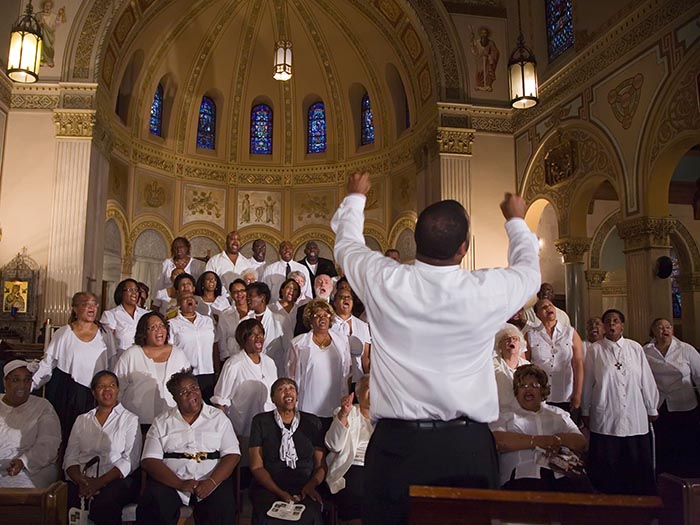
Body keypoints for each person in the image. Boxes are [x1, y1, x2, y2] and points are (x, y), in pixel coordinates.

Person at [331, 172, 540, 525]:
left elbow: (346, 246)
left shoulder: (386, 280)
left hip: (397, 448)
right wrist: (517, 221)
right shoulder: (485, 291)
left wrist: (355, 197)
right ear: (464, 247)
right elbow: (529, 272)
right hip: (465, 450)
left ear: (415, 241)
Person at [138, 371, 240, 525]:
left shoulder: (219, 418)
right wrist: (179, 484)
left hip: (211, 480)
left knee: (222, 507)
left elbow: (232, 455)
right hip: (171, 482)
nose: (191, 394)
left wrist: (211, 482)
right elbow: (149, 460)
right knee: (154, 502)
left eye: (194, 388)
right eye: (184, 392)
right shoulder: (161, 422)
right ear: (174, 397)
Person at [582, 309, 659, 495]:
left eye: (615, 321)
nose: (611, 324)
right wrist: (585, 410)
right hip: (607, 415)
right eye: (607, 321)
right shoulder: (595, 350)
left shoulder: (635, 348)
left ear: (622, 325)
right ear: (603, 326)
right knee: (608, 469)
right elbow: (588, 383)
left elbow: (645, 380)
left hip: (635, 414)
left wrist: (652, 407)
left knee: (636, 468)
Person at [490, 365, 592, 492]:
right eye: (523, 386)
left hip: (561, 475)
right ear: (516, 391)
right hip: (522, 476)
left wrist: (556, 440)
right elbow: (499, 441)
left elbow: (580, 442)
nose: (528, 389)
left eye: (534, 385)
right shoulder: (505, 416)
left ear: (543, 390)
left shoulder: (558, 414)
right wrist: (538, 441)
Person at [32, 291, 110, 444]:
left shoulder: (105, 334)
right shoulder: (64, 333)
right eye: (86, 304)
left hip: (96, 394)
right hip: (70, 393)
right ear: (75, 308)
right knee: (68, 439)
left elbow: (111, 365)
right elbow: (48, 364)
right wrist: (31, 384)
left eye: (94, 304)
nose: (92, 308)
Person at [64, 371, 142, 525]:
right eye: (101, 386)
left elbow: (130, 460)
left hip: (117, 479)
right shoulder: (82, 420)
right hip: (83, 479)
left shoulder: (130, 419)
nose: (107, 390)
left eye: (112, 385)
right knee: (63, 497)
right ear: (93, 392)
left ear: (118, 390)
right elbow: (70, 457)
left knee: (105, 502)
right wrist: (81, 481)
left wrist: (99, 482)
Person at [248, 378, 325, 525]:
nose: (288, 392)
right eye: (281, 389)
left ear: (297, 396)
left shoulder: (312, 422)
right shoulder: (260, 421)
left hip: (305, 485)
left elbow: (321, 465)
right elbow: (256, 466)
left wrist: (311, 486)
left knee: (310, 514)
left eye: (291, 388)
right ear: (273, 398)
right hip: (269, 486)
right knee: (268, 515)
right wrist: (280, 492)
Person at [211, 319, 277, 460]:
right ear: (243, 338)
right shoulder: (234, 364)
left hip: (268, 430)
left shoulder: (269, 362)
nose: (259, 337)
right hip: (243, 431)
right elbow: (221, 401)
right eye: (253, 334)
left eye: (261, 333)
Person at [113, 311, 191, 428]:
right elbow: (117, 389)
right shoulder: (131, 354)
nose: (159, 330)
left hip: (172, 422)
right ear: (144, 332)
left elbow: (188, 386)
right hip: (137, 422)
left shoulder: (178, 354)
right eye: (153, 327)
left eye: (162, 326)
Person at [643, 317, 700, 477]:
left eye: (668, 327)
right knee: (664, 445)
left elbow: (699, 375)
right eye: (660, 327)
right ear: (653, 331)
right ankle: (665, 480)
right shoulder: (646, 351)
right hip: (660, 405)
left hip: (684, 405)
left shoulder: (685, 349)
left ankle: (689, 480)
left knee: (687, 444)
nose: (665, 330)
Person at [289, 299, 351, 430]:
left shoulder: (342, 341)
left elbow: (347, 372)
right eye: (317, 315)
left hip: (335, 402)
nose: (322, 318)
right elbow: (291, 377)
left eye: (325, 315)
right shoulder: (298, 344)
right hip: (309, 405)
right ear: (310, 321)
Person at [0, 360, 61, 488]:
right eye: (16, 380)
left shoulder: (43, 406)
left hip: (31, 468)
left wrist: (23, 461)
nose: (22, 385)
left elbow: (49, 445)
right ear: (5, 381)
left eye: (27, 380)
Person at [325, 375, 374, 524]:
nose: (373, 392)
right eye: (369, 387)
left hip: (378, 467)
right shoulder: (346, 412)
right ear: (358, 393)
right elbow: (334, 445)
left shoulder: (385, 416)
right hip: (352, 466)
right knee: (356, 495)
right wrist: (343, 415)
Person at [526, 298, 584, 413]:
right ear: (537, 315)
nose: (548, 308)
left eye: (550, 305)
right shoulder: (531, 335)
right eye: (543, 307)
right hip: (540, 394)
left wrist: (577, 394)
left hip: (565, 394)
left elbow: (578, 364)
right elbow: (526, 366)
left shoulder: (570, 333)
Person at [169, 294, 219, 402]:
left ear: (196, 302)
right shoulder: (172, 324)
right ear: (179, 304)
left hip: (208, 372)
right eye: (185, 298)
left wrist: (217, 370)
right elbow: (171, 350)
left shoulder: (207, 321)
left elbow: (215, 345)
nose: (189, 300)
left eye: (191, 298)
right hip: (186, 374)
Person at [244, 282, 289, 376]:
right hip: (251, 370)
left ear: (262, 297)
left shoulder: (280, 320)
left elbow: (288, 349)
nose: (247, 299)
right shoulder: (245, 321)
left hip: (276, 369)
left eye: (251, 295)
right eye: (247, 296)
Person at [100, 279, 149, 364]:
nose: (134, 293)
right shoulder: (111, 315)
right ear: (121, 293)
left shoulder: (146, 315)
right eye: (130, 290)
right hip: (120, 361)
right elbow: (108, 345)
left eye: (136, 290)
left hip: (143, 361)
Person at [331, 284, 371, 385]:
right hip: (335, 377)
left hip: (357, 378)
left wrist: (367, 378)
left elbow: (365, 357)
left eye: (349, 297)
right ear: (335, 303)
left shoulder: (363, 325)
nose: (346, 299)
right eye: (341, 297)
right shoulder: (328, 325)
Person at [493, 324, 529, 410]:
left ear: (520, 345)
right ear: (499, 346)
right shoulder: (491, 366)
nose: (511, 341)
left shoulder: (527, 366)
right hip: (500, 414)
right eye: (507, 339)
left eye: (515, 339)